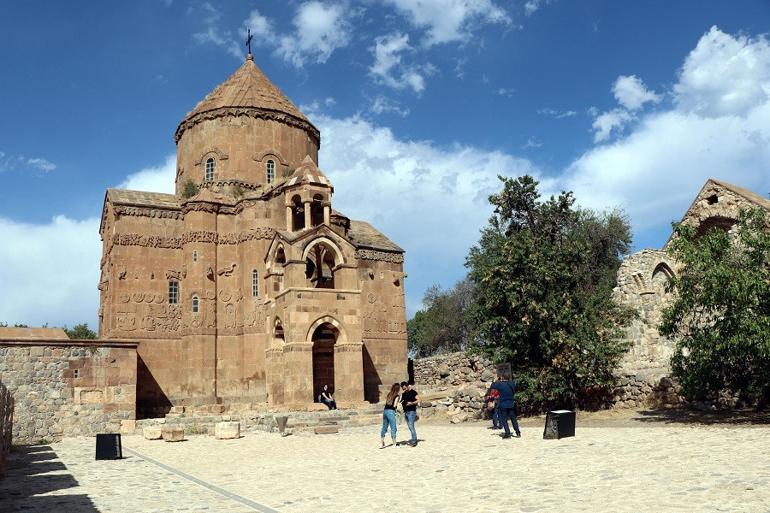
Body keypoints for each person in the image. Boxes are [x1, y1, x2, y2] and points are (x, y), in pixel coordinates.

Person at [491, 372, 521, 439]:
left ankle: (507, 433)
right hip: (511, 403)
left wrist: (495, 380)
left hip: (503, 404)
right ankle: (518, 432)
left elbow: (493, 386)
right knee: (513, 419)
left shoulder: (500, 384)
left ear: (502, 377)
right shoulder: (512, 383)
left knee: (504, 420)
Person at [380, 383, 401, 448]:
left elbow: (387, 403)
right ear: (398, 389)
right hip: (391, 412)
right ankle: (394, 444)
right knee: (393, 427)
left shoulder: (389, 394)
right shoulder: (397, 396)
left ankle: (382, 443)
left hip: (385, 411)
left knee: (384, 427)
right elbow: (394, 405)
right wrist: (398, 403)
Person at [400, 381, 420, 447]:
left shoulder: (413, 392)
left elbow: (419, 400)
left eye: (405, 388)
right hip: (405, 412)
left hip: (411, 411)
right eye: (403, 389)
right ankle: (413, 439)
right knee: (410, 427)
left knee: (411, 426)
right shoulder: (403, 394)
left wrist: (411, 403)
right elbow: (402, 401)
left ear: (408, 386)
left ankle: (414, 441)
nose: (404, 390)